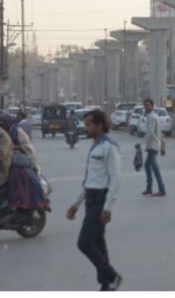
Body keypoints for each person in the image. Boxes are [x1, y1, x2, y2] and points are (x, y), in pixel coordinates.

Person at [66, 109, 122, 291]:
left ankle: (112, 275)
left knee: (84, 242)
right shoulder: (95, 146)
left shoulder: (109, 147)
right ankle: (107, 284)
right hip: (91, 198)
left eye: (89, 125)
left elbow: (115, 179)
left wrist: (108, 207)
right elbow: (90, 180)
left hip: (101, 200)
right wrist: (76, 203)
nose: (86, 128)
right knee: (98, 241)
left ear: (99, 125)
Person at [141, 99, 166, 197]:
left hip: (152, 145)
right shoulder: (154, 116)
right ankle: (149, 188)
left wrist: (143, 144)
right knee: (147, 165)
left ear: (152, 106)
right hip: (155, 144)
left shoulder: (151, 117)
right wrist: (163, 146)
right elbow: (160, 133)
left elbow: (150, 133)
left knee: (155, 168)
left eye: (148, 105)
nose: (146, 107)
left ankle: (162, 189)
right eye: (145, 106)